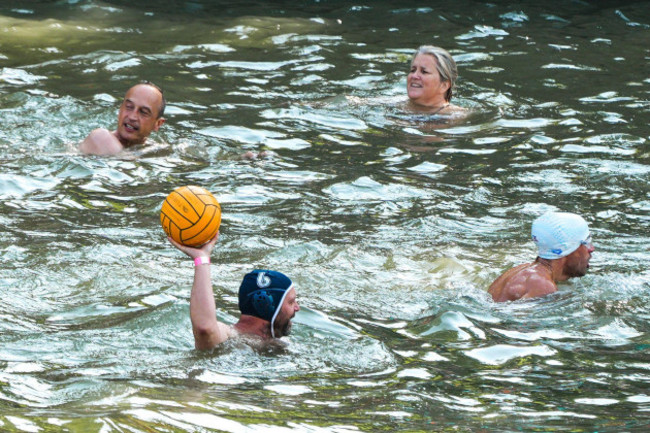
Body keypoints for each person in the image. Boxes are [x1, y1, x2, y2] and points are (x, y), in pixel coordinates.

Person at [168, 233, 300, 350]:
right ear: (265, 304)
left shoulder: (282, 344)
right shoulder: (230, 337)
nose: (297, 307)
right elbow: (205, 328)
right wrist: (202, 259)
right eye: (290, 301)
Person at [488, 212, 595, 302]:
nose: (591, 248)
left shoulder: (520, 270)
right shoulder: (542, 285)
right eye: (586, 242)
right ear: (568, 248)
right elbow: (516, 324)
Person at [80, 81, 166, 155]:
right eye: (129, 107)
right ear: (120, 109)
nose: (132, 117)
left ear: (157, 124)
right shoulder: (100, 137)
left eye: (143, 112)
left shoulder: (155, 150)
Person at [407, 45, 463, 114]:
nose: (414, 76)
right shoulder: (394, 104)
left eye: (424, 72)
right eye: (413, 70)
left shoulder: (454, 115)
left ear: (444, 85)